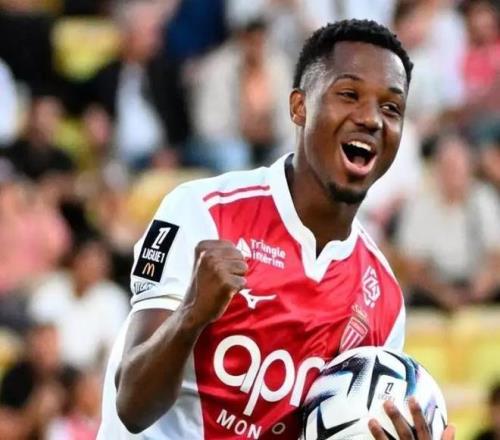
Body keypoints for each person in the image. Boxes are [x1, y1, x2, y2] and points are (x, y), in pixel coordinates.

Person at [99, 19, 455, 439]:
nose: (371, 119)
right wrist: (191, 315)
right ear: (299, 107)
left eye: (391, 108)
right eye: (349, 94)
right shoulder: (202, 212)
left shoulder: (383, 299)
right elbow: (133, 405)